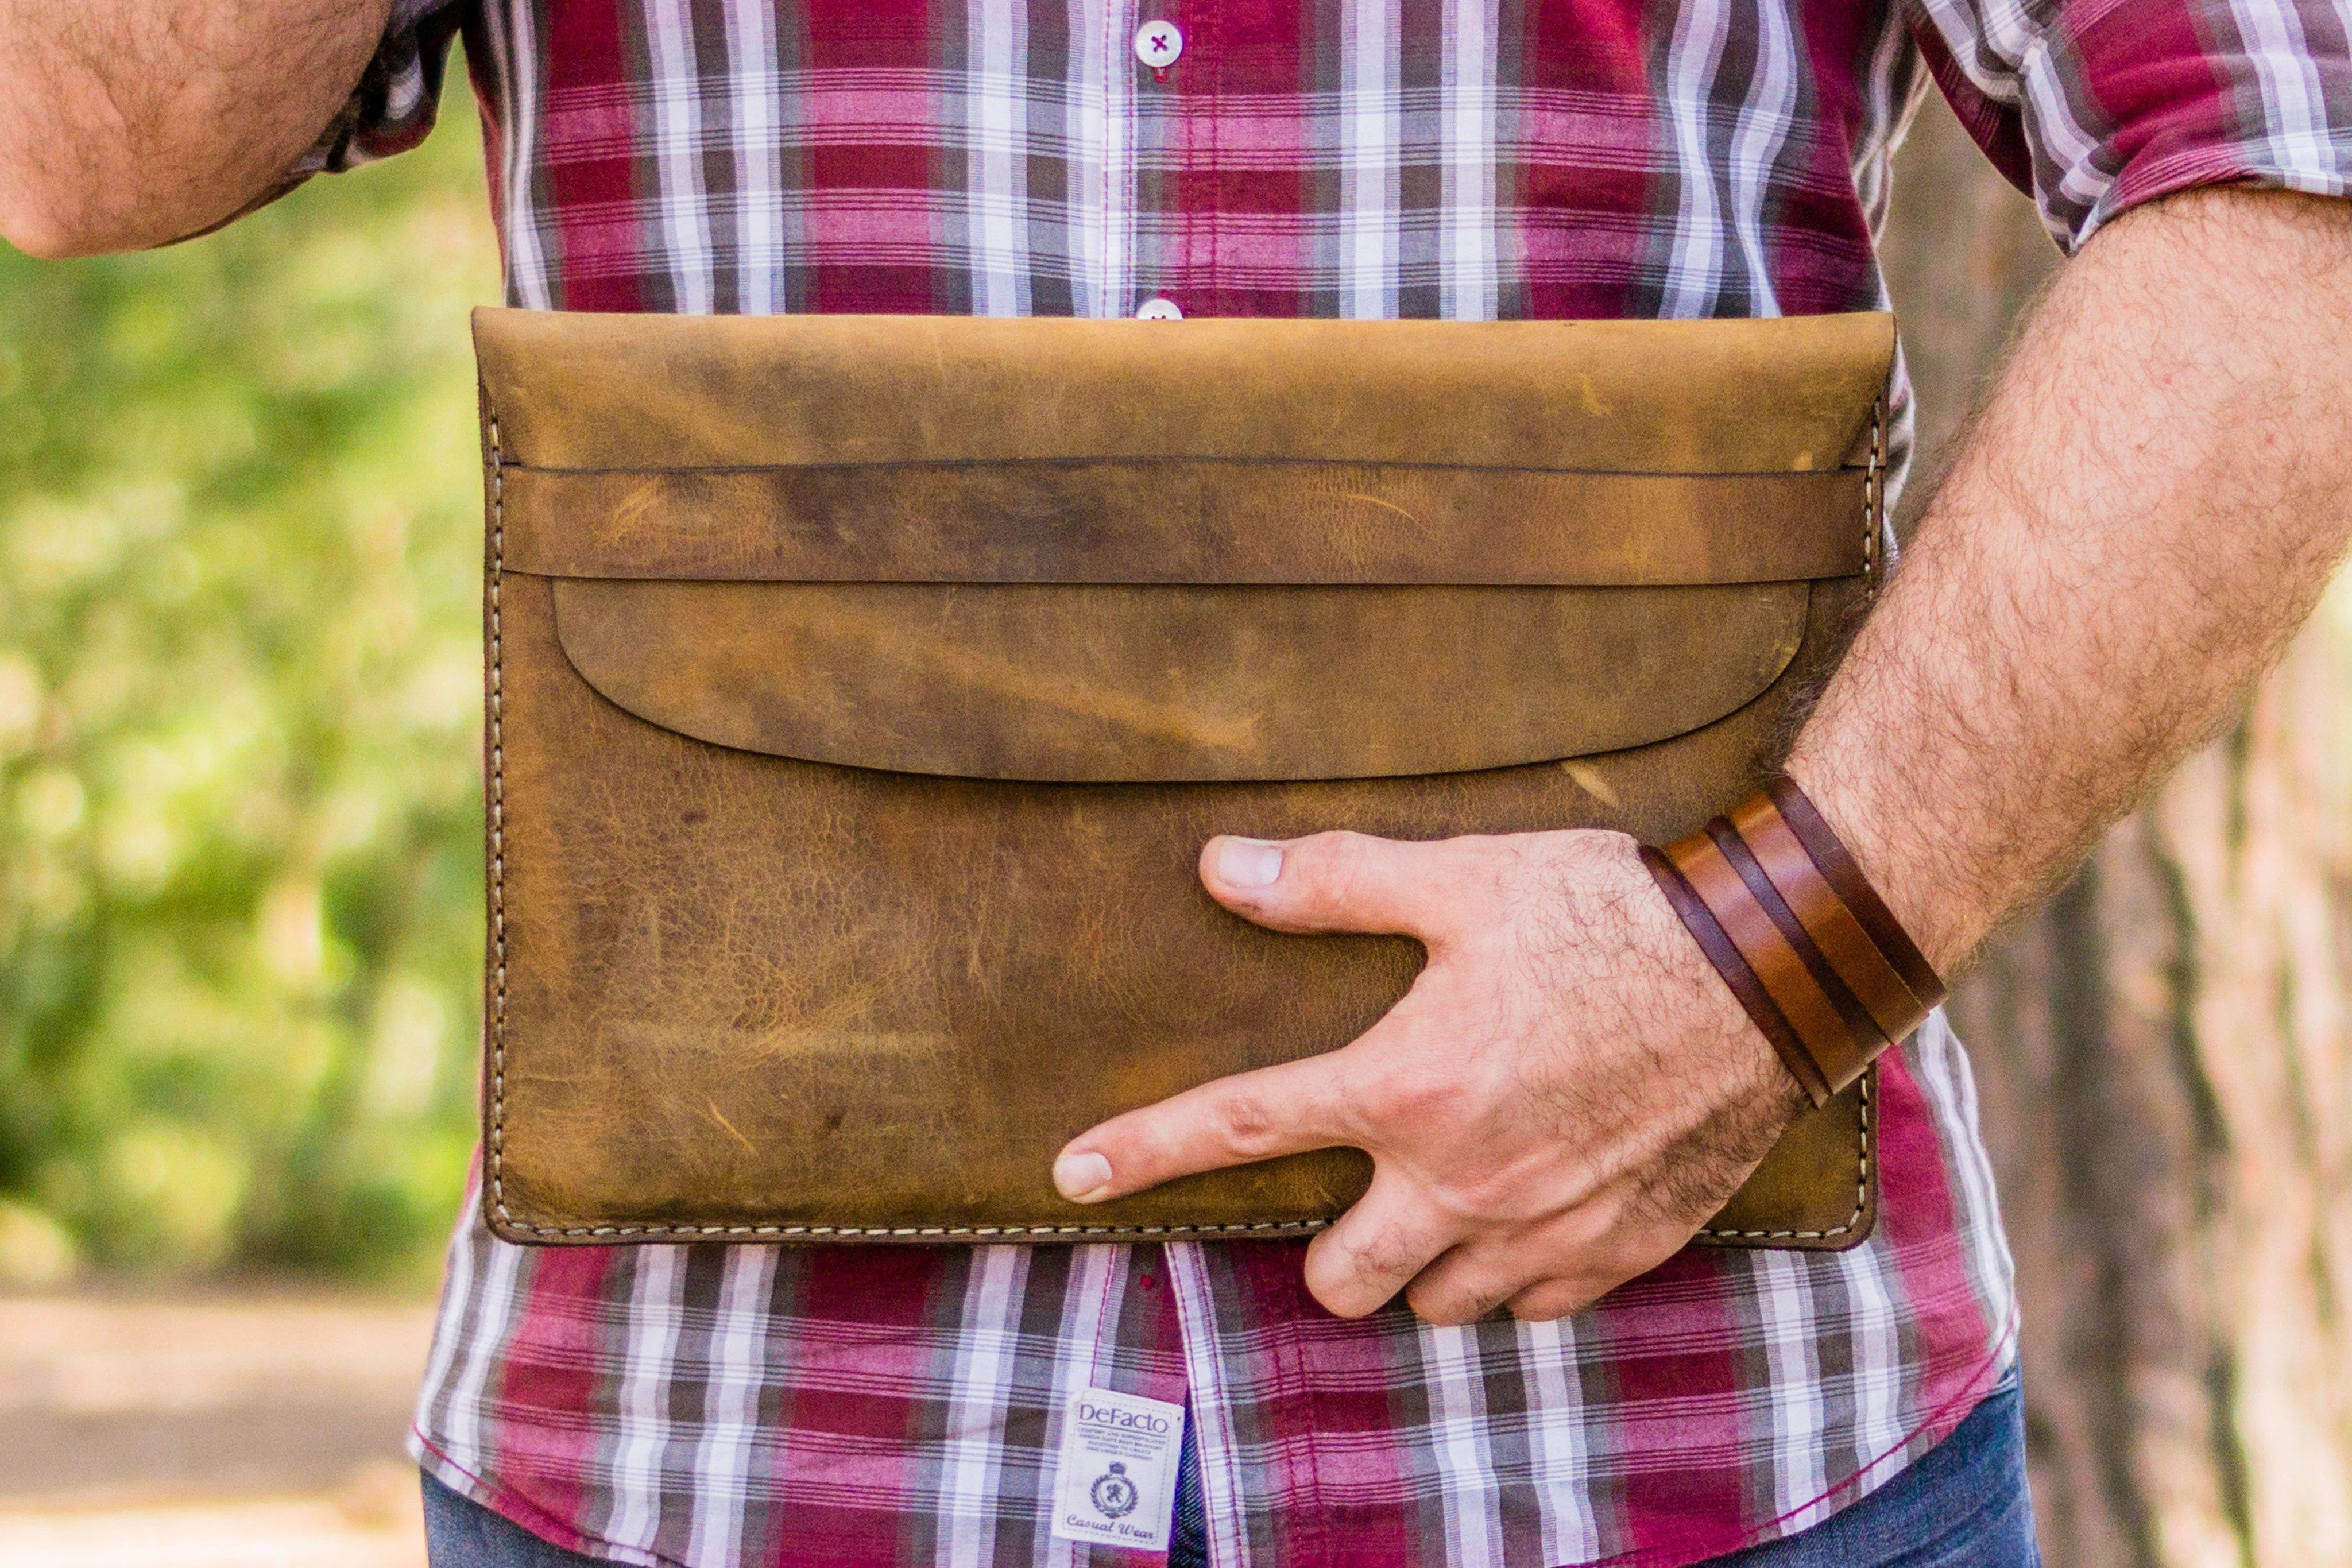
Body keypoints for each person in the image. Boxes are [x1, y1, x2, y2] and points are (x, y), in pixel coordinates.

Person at [5, 3, 2349, 1564]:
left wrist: (1760, 970)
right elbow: (77, 132)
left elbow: (2296, 165)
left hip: (1676, 1444)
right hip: (704, 1452)